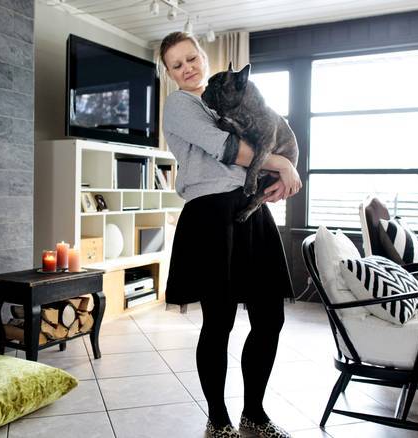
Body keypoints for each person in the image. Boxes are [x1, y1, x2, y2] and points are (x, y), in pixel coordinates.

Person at [160, 32, 302, 438]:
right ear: (169, 73)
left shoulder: (224, 98)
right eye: (177, 65)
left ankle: (254, 413)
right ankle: (218, 419)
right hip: (210, 216)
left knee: (270, 318)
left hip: (249, 211)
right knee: (218, 323)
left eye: (192, 58)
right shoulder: (180, 105)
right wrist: (282, 165)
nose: (188, 68)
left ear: (203, 57)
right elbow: (224, 148)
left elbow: (270, 130)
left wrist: (280, 175)